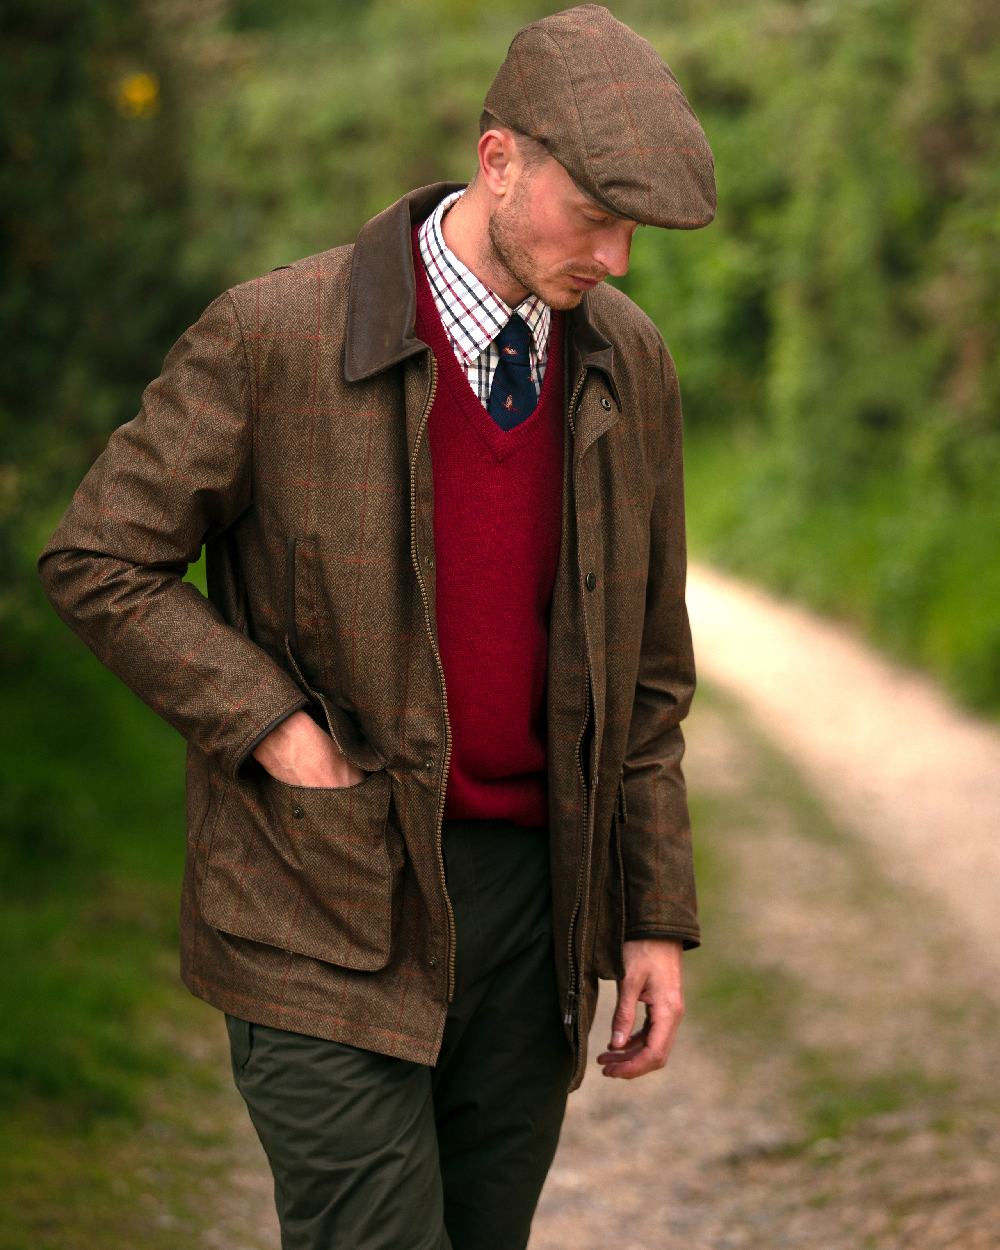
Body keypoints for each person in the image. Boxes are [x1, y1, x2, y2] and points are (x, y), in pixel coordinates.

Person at [37, 4, 716, 1247]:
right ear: (498, 158)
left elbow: (651, 675)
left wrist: (652, 910)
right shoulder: (270, 335)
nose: (616, 260)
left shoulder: (631, 361)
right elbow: (100, 558)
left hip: (533, 912)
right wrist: (274, 726)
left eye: (638, 231)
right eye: (599, 216)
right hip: (319, 894)